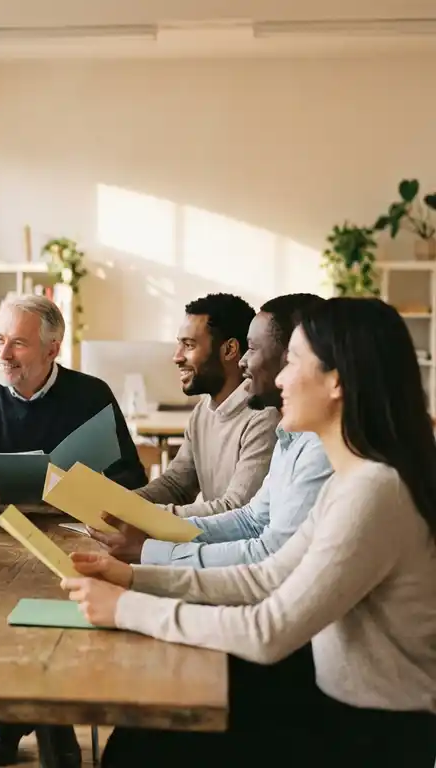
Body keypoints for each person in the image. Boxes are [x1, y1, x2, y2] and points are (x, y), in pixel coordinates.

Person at [63, 297, 436, 767]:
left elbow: (267, 629)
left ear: (337, 381)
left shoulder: (374, 490)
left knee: (144, 746)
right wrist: (134, 577)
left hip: (371, 735)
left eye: (292, 362)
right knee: (144, 734)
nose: (279, 378)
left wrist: (126, 608)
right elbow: (266, 577)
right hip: (339, 706)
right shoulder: (356, 479)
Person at [0, 295, 147, 767]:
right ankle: (16, 718)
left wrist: (89, 492)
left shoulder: (91, 394)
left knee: (61, 600)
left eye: (19, 344)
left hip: (70, 531)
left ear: (52, 349)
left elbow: (131, 477)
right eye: (0, 339)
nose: (3, 353)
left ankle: (48, 719)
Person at [97, 294, 333, 568]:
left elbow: (267, 551)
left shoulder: (281, 426)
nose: (176, 357)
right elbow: (248, 519)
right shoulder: (286, 433)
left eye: (189, 345)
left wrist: (150, 543)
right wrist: (131, 512)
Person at [131, 293, 279, 518]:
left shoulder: (263, 416)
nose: (177, 357)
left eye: (189, 345)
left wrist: (142, 515)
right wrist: (122, 504)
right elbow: (176, 485)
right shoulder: (203, 410)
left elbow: (236, 510)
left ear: (229, 350)